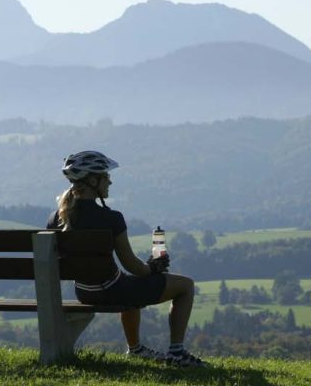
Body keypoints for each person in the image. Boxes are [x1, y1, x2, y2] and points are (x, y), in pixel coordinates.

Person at [46, 150, 205, 367]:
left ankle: (136, 349)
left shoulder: (56, 218)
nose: (109, 181)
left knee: (128, 283)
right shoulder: (111, 218)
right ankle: (177, 352)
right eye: (105, 176)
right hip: (112, 290)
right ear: (93, 181)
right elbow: (134, 267)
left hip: (84, 291)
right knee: (185, 285)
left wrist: (147, 270)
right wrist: (153, 268)